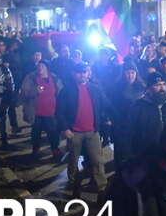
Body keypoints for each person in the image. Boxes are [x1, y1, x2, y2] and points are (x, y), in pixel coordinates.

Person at [56, 63, 111, 196]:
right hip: (74, 132)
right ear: (74, 74)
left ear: (88, 73)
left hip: (92, 131)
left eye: (84, 72)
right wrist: (65, 128)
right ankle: (74, 184)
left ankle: (101, 188)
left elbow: (104, 105)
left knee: (97, 160)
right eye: (79, 72)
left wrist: (109, 118)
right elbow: (59, 111)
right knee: (73, 160)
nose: (82, 75)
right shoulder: (66, 90)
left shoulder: (95, 89)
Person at [126, 72, 166, 159]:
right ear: (149, 89)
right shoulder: (138, 107)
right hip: (146, 154)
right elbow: (130, 133)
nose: (162, 88)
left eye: (163, 84)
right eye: (157, 85)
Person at [19, 60, 63, 161]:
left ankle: (55, 149)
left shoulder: (54, 78)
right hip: (36, 112)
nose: (40, 68)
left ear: (47, 67)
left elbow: (61, 92)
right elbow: (24, 93)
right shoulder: (30, 77)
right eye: (38, 66)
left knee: (53, 132)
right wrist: (35, 91)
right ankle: (35, 150)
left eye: (42, 66)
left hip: (51, 112)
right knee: (36, 132)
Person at [109, 61, 146, 169]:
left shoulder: (141, 87)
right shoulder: (117, 88)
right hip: (122, 126)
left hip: (138, 126)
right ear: (123, 73)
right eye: (128, 73)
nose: (130, 75)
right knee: (121, 154)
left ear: (136, 73)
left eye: (132, 73)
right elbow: (113, 107)